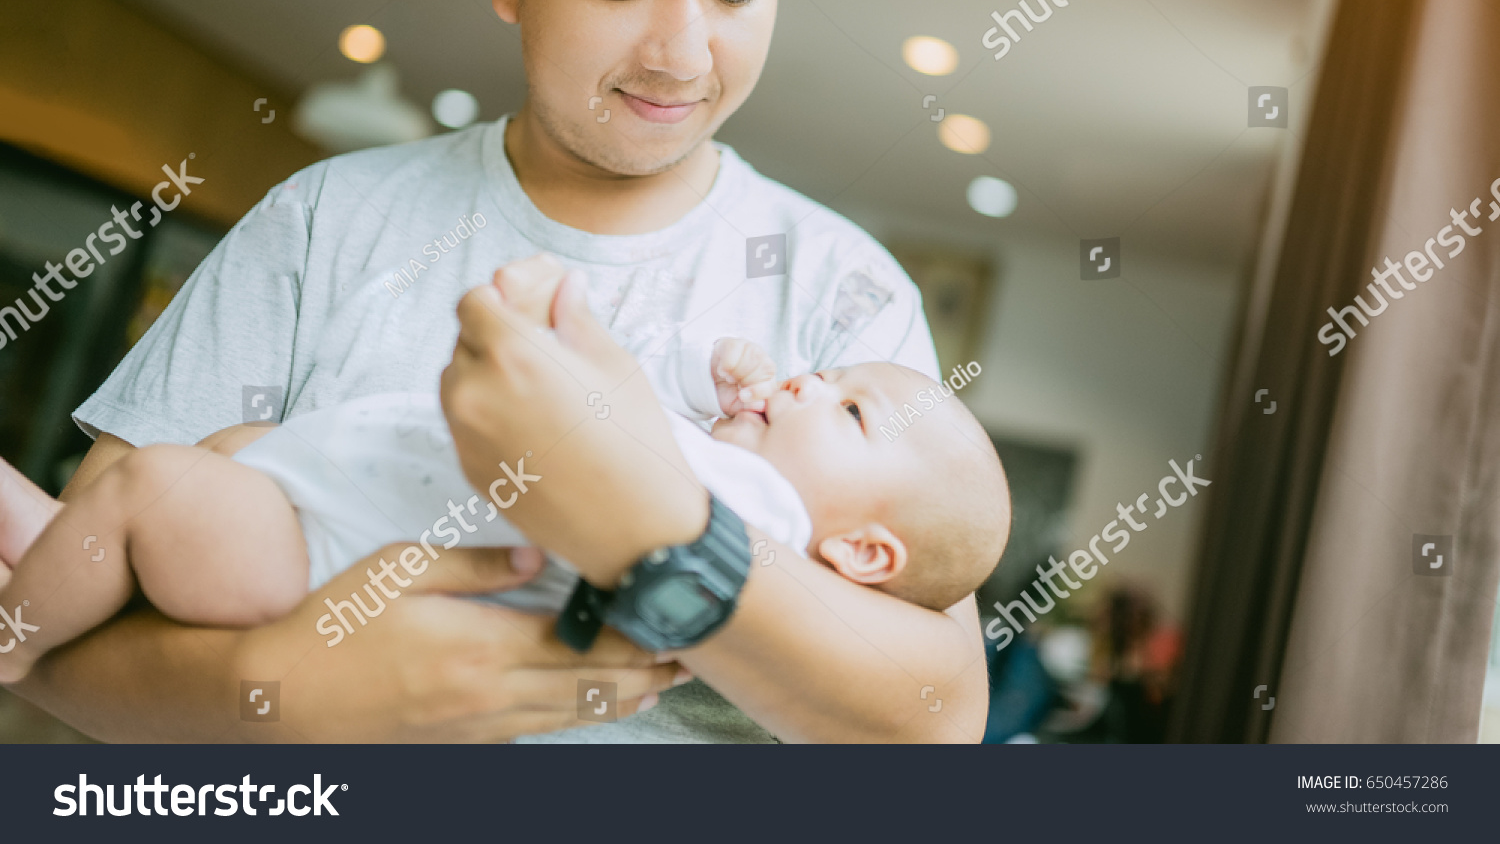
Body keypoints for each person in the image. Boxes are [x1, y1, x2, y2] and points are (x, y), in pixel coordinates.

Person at [6, 0, 993, 742]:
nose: (682, 53)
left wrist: (649, 524)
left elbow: (934, 719)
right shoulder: (324, 225)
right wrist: (273, 692)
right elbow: (60, 604)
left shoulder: (844, 298)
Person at [0, 258, 1010, 690]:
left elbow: (610, 462)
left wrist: (559, 328)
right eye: (821, 373)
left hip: (315, 557)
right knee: (121, 514)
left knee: (135, 500)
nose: (802, 384)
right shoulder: (727, 475)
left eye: (846, 409)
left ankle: (13, 654)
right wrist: (733, 400)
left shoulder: (748, 525)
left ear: (865, 550)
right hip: (302, 489)